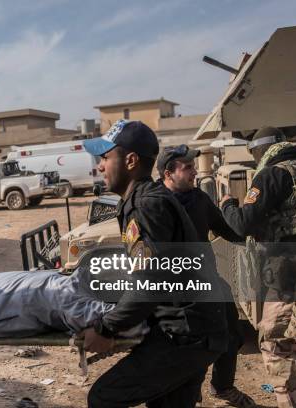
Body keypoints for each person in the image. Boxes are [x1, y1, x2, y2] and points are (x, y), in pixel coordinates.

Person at [82, 119, 228, 408]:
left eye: (105, 158)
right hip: (199, 329)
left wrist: (105, 328)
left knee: (103, 398)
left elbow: (151, 283)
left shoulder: (147, 205)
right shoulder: (152, 199)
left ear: (131, 160)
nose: (100, 166)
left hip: (186, 335)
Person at [221, 126, 296, 407]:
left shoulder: (273, 174)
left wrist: (228, 206)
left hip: (291, 286)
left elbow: (242, 225)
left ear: (259, 151)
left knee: (277, 349)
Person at [158, 145, 255, 408]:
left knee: (233, 334)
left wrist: (253, 240)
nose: (195, 172)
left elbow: (223, 228)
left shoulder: (198, 199)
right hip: (177, 290)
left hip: (208, 280)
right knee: (192, 344)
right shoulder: (154, 205)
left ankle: (222, 386)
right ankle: (189, 391)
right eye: (187, 167)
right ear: (168, 173)